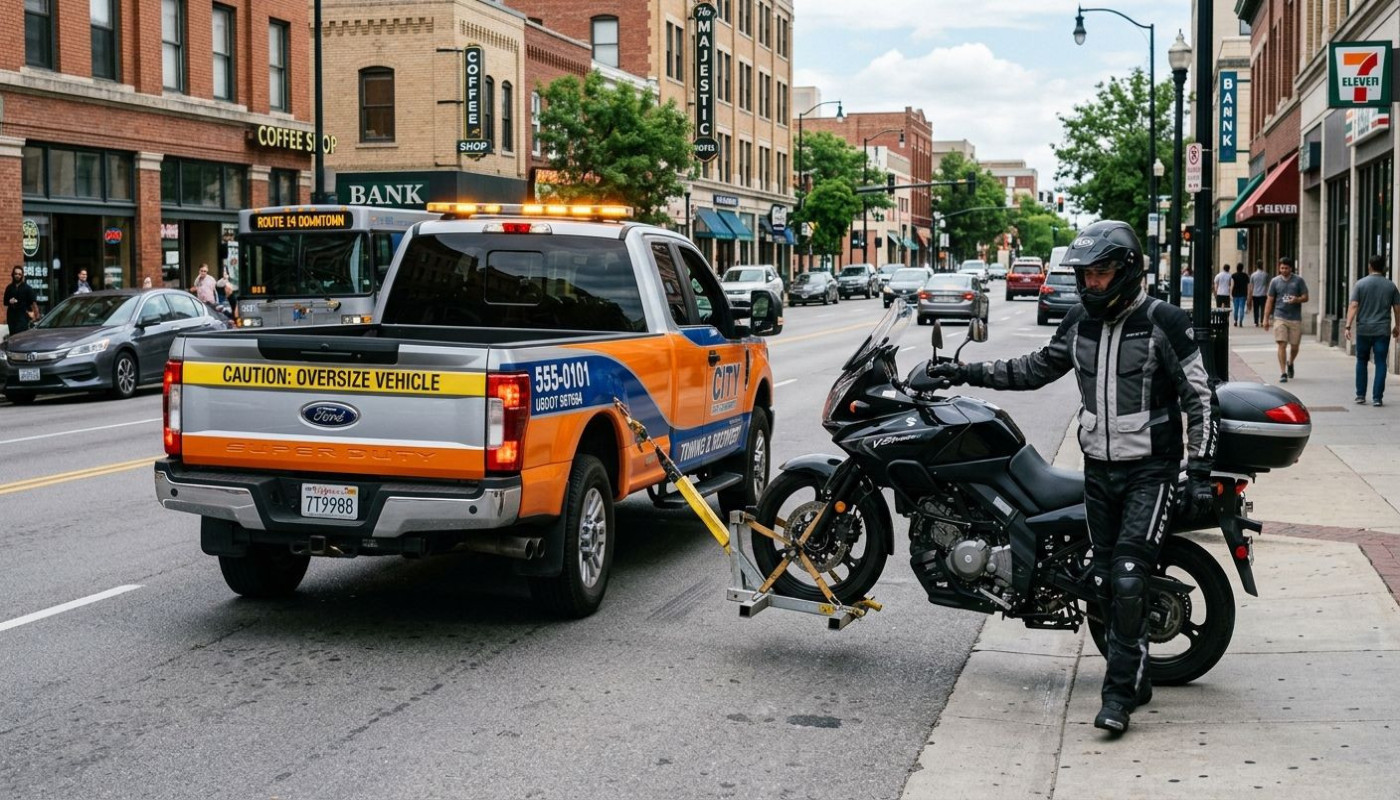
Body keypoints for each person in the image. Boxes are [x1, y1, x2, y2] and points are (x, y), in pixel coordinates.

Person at [931, 221, 1218, 735]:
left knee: (1129, 576)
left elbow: (1200, 398)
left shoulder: (1163, 322)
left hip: (1149, 473)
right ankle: (1138, 674)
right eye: (1085, 275)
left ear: (1127, 272)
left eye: (1101, 274)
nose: (1091, 285)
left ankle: (1117, 698)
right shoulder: (1080, 323)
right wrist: (963, 373)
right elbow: (1035, 368)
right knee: (1103, 582)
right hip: (1099, 472)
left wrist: (1197, 471)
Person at [1344, 255, 1400, 407]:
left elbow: (1354, 305)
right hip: (1382, 330)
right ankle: (1377, 398)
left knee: (1361, 360)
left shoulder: (1360, 284)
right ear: (1384, 267)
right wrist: (1398, 326)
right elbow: (1397, 308)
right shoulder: (1391, 286)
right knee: (1381, 362)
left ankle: (1360, 395)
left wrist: (1348, 326)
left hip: (1364, 329)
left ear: (1369, 266)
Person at [1263, 257, 1309, 383]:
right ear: (1279, 268)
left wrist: (1297, 300)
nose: (1283, 270)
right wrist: (1265, 319)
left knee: (1295, 346)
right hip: (1280, 317)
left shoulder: (1298, 281)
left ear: (1291, 268)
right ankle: (1283, 372)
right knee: (1281, 344)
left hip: (1295, 318)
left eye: (1286, 268)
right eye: (1282, 268)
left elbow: (1306, 297)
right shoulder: (1275, 282)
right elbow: (1270, 300)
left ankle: (1290, 362)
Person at [5, 265, 40, 337]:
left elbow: (33, 303)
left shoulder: (27, 288)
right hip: (11, 317)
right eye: (16, 274)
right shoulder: (9, 288)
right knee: (12, 337)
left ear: (22, 275)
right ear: (13, 274)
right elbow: (5, 302)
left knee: (21, 336)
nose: (17, 276)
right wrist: (9, 301)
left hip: (23, 316)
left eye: (19, 274)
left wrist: (37, 317)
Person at [1249, 261, 1268, 327]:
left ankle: (1256, 322)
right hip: (1263, 294)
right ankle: (1262, 321)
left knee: (1256, 309)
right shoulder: (1265, 274)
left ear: (1256, 266)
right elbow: (1266, 284)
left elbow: (1251, 286)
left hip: (1255, 294)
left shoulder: (1253, 275)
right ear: (1262, 265)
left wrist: (1250, 294)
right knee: (1263, 308)